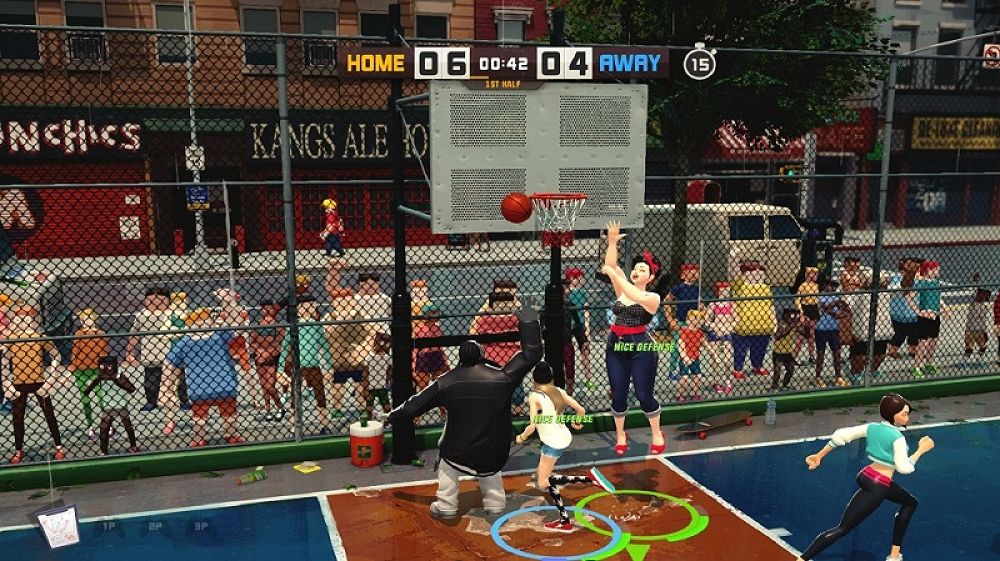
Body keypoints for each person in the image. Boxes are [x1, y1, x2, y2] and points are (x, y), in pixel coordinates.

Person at [376, 307, 542, 519]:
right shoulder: (503, 378)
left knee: (446, 467)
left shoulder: (446, 382)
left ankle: (446, 505)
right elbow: (531, 355)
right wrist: (529, 321)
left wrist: (392, 416)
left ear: (460, 358)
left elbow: (414, 406)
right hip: (493, 451)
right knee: (490, 472)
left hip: (457, 451)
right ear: (482, 356)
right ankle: (495, 505)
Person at [797, 393, 933, 561]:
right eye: (904, 414)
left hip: (866, 475)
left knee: (910, 502)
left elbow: (842, 435)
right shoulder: (897, 438)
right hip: (879, 485)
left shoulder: (872, 427)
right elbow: (904, 468)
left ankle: (895, 555)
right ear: (893, 414)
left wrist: (819, 455)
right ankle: (802, 559)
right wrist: (921, 450)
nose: (907, 418)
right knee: (843, 529)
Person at [515, 362, 613, 532]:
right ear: (551, 378)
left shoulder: (534, 397)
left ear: (534, 379)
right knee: (544, 476)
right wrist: (577, 422)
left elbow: (532, 426)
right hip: (561, 437)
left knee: (543, 482)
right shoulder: (559, 391)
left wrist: (521, 437)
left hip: (553, 442)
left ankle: (588, 480)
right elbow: (581, 410)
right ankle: (564, 518)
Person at [602, 220, 665, 456]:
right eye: (635, 268)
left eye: (642, 269)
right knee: (618, 394)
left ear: (650, 277)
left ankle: (657, 433)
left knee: (643, 395)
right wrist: (612, 243)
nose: (637, 271)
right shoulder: (623, 288)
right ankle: (620, 434)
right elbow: (611, 265)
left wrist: (615, 275)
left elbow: (630, 291)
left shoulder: (652, 297)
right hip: (616, 345)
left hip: (641, 348)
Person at [164, 308, 244, 447]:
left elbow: (237, 329)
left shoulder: (219, 334)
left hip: (222, 384)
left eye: (203, 319)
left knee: (229, 414)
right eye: (197, 320)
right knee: (200, 417)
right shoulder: (185, 342)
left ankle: (229, 435)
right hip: (202, 388)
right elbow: (171, 363)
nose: (201, 323)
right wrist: (167, 387)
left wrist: (230, 304)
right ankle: (200, 438)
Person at [2, 306, 65, 463]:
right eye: (18, 318)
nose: (22, 321)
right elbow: (4, 360)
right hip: (19, 382)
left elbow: (56, 355)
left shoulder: (39, 336)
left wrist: (51, 380)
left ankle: (59, 446)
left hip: (39, 381)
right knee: (17, 418)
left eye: (26, 318)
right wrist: (7, 383)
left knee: (49, 414)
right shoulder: (12, 339)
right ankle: (18, 449)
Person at [126, 287, 187, 412]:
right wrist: (130, 352)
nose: (156, 303)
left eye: (160, 300)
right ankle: (151, 401)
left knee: (179, 380)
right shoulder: (142, 315)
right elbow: (134, 335)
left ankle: (184, 400)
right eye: (151, 301)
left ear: (168, 301)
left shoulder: (174, 314)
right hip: (151, 355)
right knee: (150, 381)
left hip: (172, 354)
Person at [281, 295, 335, 433]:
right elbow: (285, 348)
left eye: (311, 305)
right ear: (298, 309)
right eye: (304, 306)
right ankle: (295, 426)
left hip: (314, 366)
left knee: (320, 396)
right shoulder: (293, 326)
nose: (308, 308)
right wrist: (280, 369)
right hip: (298, 366)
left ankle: (324, 425)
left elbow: (325, 347)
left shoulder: (316, 326)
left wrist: (329, 367)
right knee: (295, 397)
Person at [730, 259, 776, 380]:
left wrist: (774, 320)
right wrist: (734, 258)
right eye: (753, 271)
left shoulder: (766, 288)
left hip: (764, 325)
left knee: (760, 348)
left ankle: (758, 365)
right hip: (743, 326)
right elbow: (735, 275)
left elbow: (771, 305)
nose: (758, 273)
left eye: (760, 271)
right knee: (740, 350)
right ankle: (738, 369)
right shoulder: (740, 286)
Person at [85, 356, 140, 455]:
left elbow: (132, 389)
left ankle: (133, 446)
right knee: (104, 429)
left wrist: (116, 379)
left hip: (121, 404)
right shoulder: (101, 376)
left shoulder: (119, 375)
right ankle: (104, 451)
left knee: (128, 426)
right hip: (108, 406)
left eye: (109, 366)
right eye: (102, 366)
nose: (106, 369)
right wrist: (95, 382)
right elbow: (87, 390)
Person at [70, 308, 109, 440]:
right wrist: (72, 369)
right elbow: (75, 352)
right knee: (85, 399)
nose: (85, 321)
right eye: (83, 319)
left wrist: (106, 369)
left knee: (101, 399)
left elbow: (105, 352)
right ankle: (90, 427)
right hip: (80, 371)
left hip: (96, 370)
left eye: (88, 318)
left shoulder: (101, 334)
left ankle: (107, 426)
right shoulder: (79, 334)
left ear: (94, 319)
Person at [846, 273, 893, 384]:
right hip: (861, 330)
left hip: (881, 329)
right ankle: (855, 373)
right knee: (860, 356)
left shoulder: (885, 294)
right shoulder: (858, 294)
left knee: (880, 355)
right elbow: (849, 308)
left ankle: (872, 370)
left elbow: (903, 287)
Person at [250, 300, 284, 422]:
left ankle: (280, 407)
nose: (267, 310)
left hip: (272, 359)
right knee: (264, 386)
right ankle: (268, 409)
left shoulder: (278, 326)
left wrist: (267, 354)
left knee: (270, 386)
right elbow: (252, 341)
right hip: (259, 359)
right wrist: (259, 351)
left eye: (269, 308)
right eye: (264, 308)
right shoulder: (258, 325)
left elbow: (280, 344)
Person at [676, 310, 718, 402]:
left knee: (698, 377)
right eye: (696, 319)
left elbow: (705, 344)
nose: (700, 322)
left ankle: (696, 394)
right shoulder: (685, 331)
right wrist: (685, 358)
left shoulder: (699, 332)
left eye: (700, 320)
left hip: (695, 358)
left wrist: (713, 353)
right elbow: (680, 345)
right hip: (685, 359)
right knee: (684, 378)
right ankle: (680, 395)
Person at [815, 280, 850, 388]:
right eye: (830, 285)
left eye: (834, 286)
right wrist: (834, 306)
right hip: (821, 329)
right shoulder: (820, 297)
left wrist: (837, 309)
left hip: (834, 329)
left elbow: (846, 311)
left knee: (837, 353)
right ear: (825, 285)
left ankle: (838, 376)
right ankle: (818, 377)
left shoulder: (836, 298)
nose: (832, 288)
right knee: (821, 354)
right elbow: (823, 308)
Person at [913, 261, 945, 377]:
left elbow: (938, 297)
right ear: (929, 270)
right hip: (925, 316)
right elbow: (910, 297)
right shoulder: (921, 283)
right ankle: (916, 366)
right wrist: (918, 311)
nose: (938, 271)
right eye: (936, 269)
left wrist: (945, 308)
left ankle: (928, 363)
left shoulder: (936, 283)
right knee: (923, 342)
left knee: (933, 341)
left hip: (935, 315)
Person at [564, 268, 593, 391]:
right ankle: (568, 379)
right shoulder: (566, 292)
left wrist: (587, 327)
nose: (582, 280)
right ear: (572, 279)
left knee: (585, 351)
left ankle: (588, 379)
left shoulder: (582, 292)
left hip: (579, 325)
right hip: (567, 325)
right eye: (580, 277)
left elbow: (586, 310)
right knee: (567, 352)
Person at [887, 258, 921, 361]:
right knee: (899, 335)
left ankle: (912, 350)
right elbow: (893, 290)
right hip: (899, 313)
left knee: (914, 334)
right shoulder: (897, 278)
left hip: (914, 313)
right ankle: (892, 350)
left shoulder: (919, 280)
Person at [706, 281, 735, 394]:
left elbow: (736, 319)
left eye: (728, 289)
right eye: (724, 290)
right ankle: (715, 382)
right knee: (715, 359)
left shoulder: (732, 304)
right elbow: (706, 321)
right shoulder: (713, 304)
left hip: (726, 332)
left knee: (728, 360)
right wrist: (715, 326)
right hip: (715, 332)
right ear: (718, 291)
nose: (726, 292)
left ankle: (728, 381)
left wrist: (729, 327)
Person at [772, 309, 807, 391]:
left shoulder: (794, 325)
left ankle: (784, 385)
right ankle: (774, 386)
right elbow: (776, 336)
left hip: (788, 352)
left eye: (796, 317)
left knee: (790, 370)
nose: (794, 318)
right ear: (785, 316)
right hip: (778, 352)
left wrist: (805, 325)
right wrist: (790, 327)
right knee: (777, 370)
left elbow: (805, 334)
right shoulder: (782, 324)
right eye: (791, 316)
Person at [794, 267, 820, 367]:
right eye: (814, 274)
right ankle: (793, 357)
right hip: (805, 309)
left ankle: (812, 356)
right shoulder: (803, 286)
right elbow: (797, 300)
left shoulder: (816, 286)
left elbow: (817, 300)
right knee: (801, 336)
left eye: (816, 274)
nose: (816, 276)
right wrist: (801, 313)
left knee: (812, 336)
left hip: (814, 309)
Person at [364, 333, 392, 415]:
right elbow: (366, 374)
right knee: (369, 409)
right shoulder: (369, 357)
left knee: (387, 408)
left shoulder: (387, 357)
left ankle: (388, 420)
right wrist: (365, 389)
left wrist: (388, 380)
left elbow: (389, 371)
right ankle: (370, 421)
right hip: (371, 387)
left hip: (382, 387)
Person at [964, 275, 990, 362]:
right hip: (973, 327)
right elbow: (975, 291)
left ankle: (978, 357)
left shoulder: (982, 306)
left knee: (978, 343)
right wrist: (976, 282)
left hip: (977, 328)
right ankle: (970, 358)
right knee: (970, 343)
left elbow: (975, 292)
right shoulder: (976, 304)